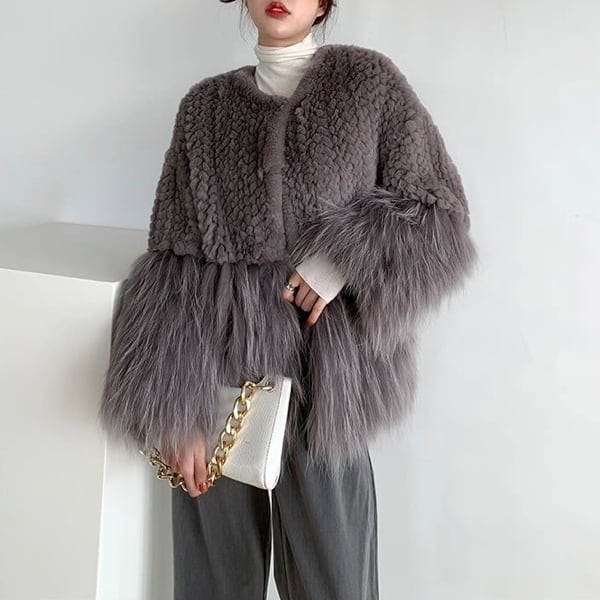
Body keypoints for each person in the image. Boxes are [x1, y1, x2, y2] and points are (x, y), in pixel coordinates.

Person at [98, 0, 478, 598]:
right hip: (218, 378)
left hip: (328, 385)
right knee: (214, 583)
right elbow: (171, 264)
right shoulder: (204, 108)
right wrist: (175, 410)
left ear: (325, 3)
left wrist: (341, 259)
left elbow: (437, 211)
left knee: (336, 581)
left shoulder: (368, 84)